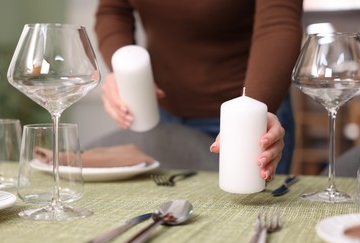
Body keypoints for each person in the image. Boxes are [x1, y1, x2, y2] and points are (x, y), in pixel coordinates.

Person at [95, 0, 303, 179]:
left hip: (245, 110)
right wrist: (124, 71)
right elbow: (113, 9)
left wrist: (253, 110)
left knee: (246, 215)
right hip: (159, 112)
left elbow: (278, 22)